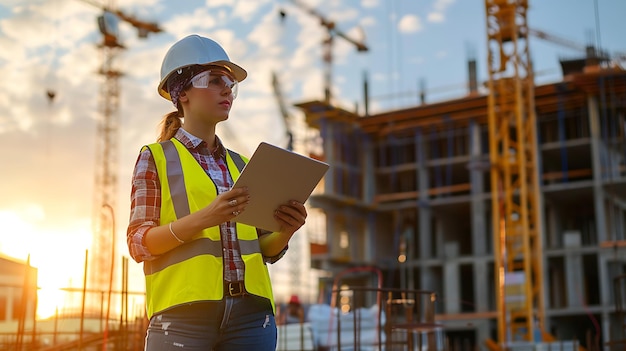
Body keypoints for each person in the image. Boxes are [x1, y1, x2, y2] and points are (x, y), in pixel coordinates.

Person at [126, 34, 308, 351]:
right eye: (214, 80)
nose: (227, 89)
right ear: (182, 93)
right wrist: (206, 218)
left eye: (230, 83)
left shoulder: (244, 165)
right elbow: (139, 243)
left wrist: (286, 230)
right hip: (183, 317)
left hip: (251, 318)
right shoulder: (155, 158)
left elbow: (263, 249)